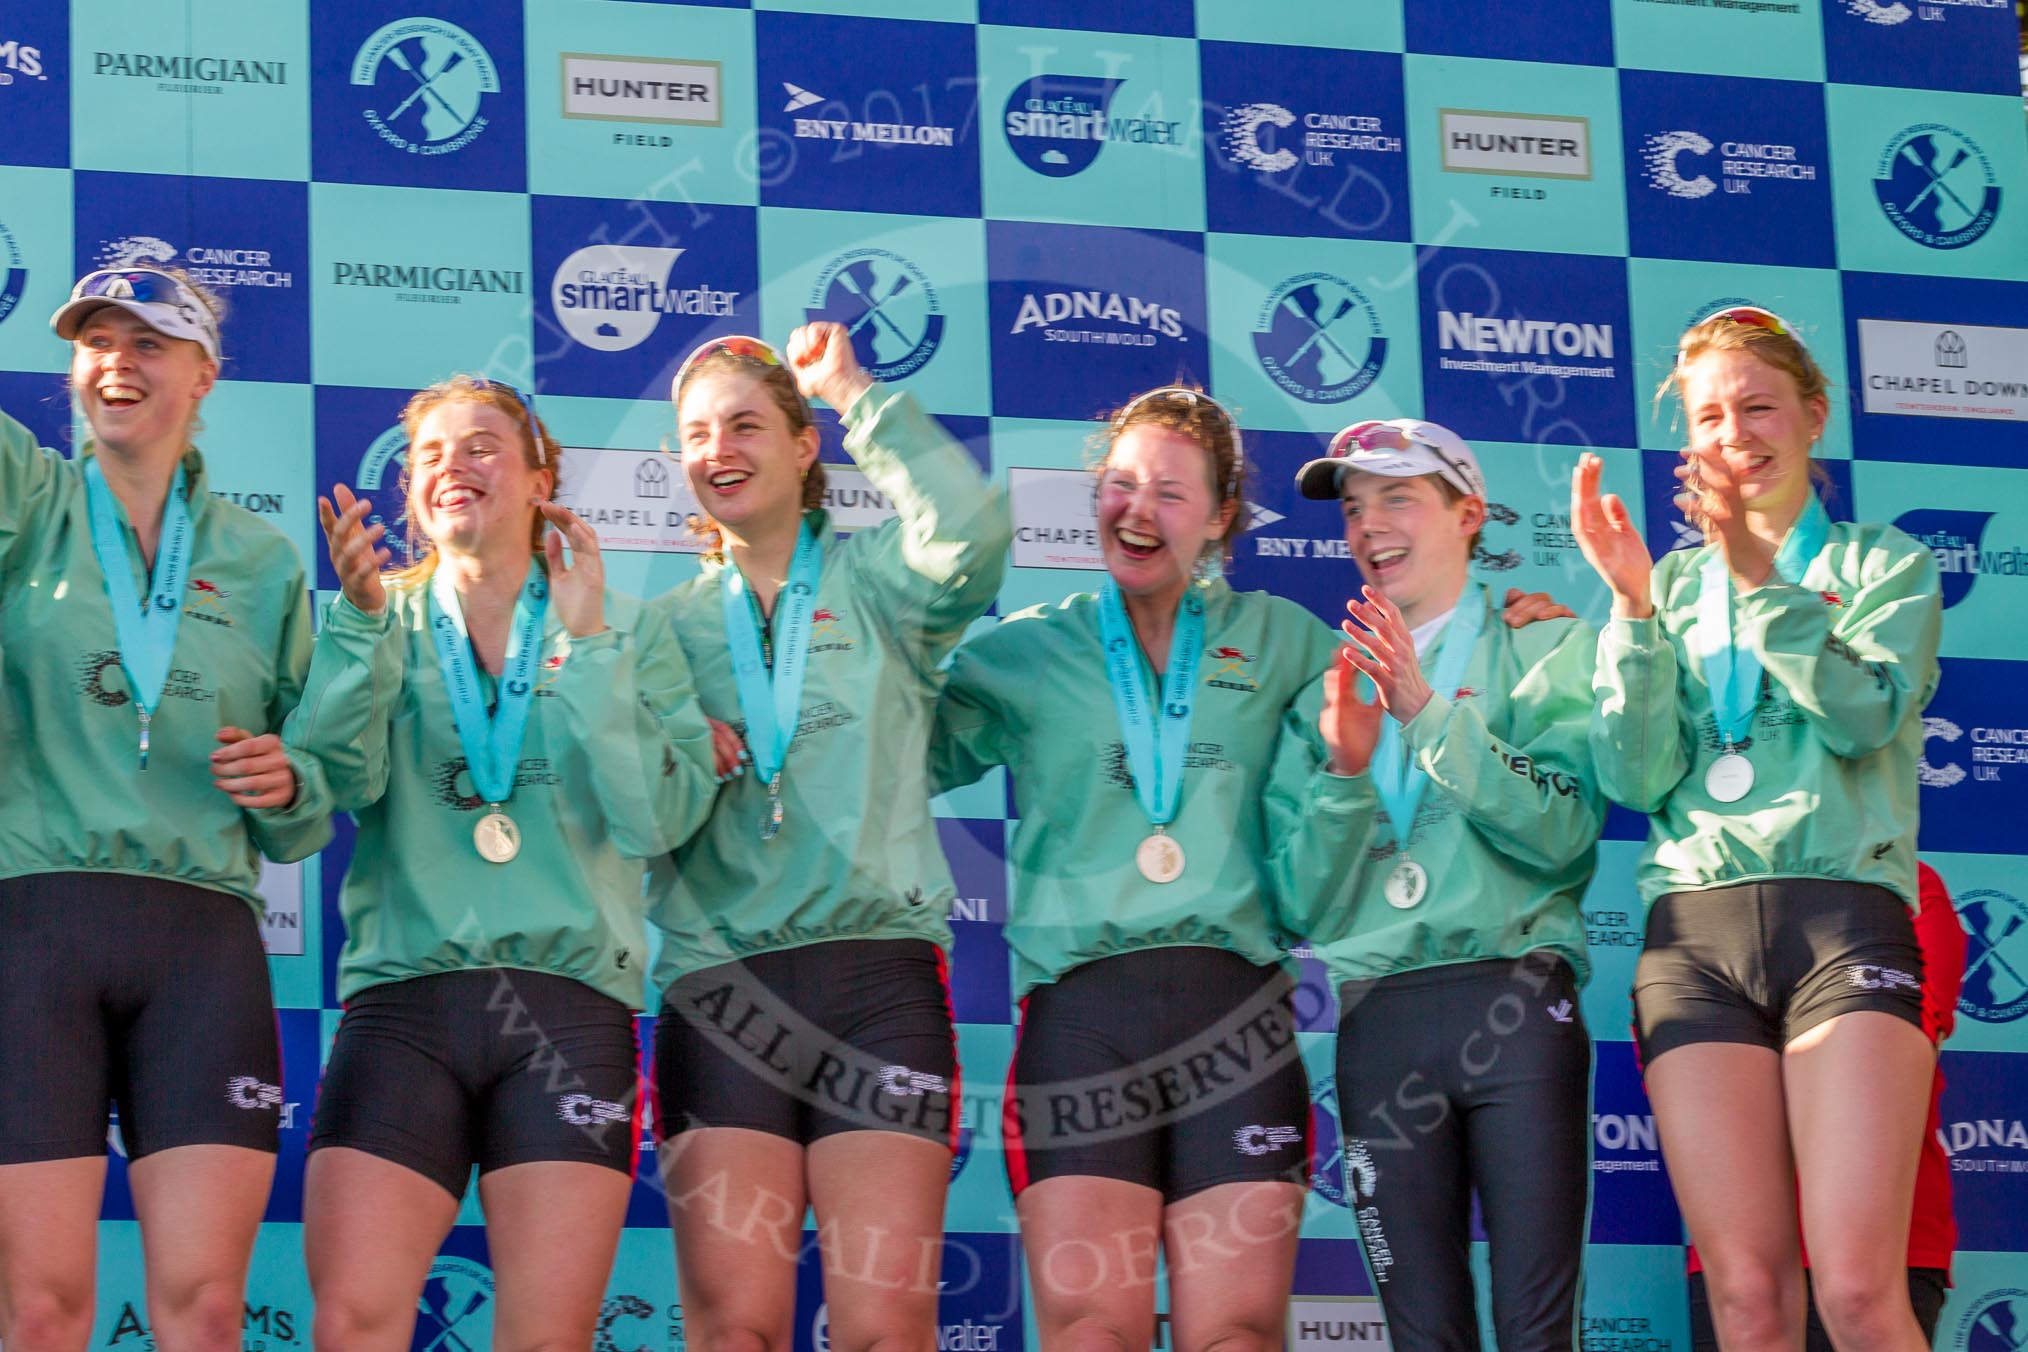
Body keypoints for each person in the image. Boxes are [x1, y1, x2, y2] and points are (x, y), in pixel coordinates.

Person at [287, 375, 717, 1352]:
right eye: (430, 454)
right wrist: (356, 627)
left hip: (568, 1007)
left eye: (481, 445)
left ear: (540, 475)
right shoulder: (376, 613)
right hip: (406, 1002)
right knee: (353, 1317)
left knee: (546, 1331)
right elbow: (332, 783)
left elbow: (659, 816)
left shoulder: (628, 626)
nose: (452, 467)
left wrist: (591, 639)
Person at [932, 386, 1346, 1352]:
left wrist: (1519, 626)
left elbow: (1420, 701)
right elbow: (892, 745)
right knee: (1089, 1333)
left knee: (1238, 1336)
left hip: (1236, 1019)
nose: (1136, 510)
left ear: (1222, 516)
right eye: (1119, 485)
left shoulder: (1286, 640)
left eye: (1168, 491)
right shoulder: (1032, 648)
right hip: (1083, 1021)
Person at [1573, 306, 1943, 1352]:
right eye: (1710, 416)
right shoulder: (1671, 586)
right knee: (1744, 1298)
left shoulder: (1885, 564)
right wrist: (1635, 614)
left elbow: (1864, 712)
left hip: (1844, 926)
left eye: (1759, 407)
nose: (1735, 435)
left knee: (1862, 1294)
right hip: (1694, 940)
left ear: (1814, 416)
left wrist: (1759, 578)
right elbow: (1636, 773)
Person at [649, 324, 1009, 1352]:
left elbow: (973, 534)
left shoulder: (882, 586)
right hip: (719, 987)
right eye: (698, 431)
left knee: (886, 1325)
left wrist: (857, 392)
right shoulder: (657, 631)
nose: (720, 447)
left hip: (875, 985)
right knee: (736, 1328)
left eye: (748, 424)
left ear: (807, 448)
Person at [0, 267, 331, 1352]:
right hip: (33, 926)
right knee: (41, 1307)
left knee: (204, 1308)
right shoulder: (29, 501)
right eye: (97, 341)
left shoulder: (264, 560)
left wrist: (289, 780)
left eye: (148, 342)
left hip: (203, 941)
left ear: (205, 373)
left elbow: (309, 791)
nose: (118, 363)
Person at [1270, 418, 1604, 1352]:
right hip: (1380, 1023)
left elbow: (1568, 832)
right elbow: (1305, 904)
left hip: (1515, 1004)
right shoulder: (1322, 690)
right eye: (1354, 507)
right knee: (1423, 1338)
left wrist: (1425, 716)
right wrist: (1342, 772)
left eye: (1398, 497)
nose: (1370, 525)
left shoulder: (1544, 645)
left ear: (1469, 514)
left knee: (1538, 1334)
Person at [1683, 859, 1966, 1352]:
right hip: (1740, 1262)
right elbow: (1680, 1073)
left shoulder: (1905, 883)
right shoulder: (1698, 902)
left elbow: (1901, 1051)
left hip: (1887, 1248)